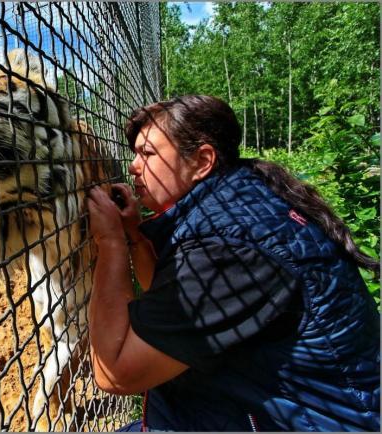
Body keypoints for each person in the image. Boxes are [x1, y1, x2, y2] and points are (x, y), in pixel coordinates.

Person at [86, 95, 380, 432]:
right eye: (135, 154)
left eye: (148, 154)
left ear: (202, 161)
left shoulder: (229, 247)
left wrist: (108, 243)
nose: (134, 166)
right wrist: (136, 237)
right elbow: (171, 307)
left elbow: (116, 374)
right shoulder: (239, 201)